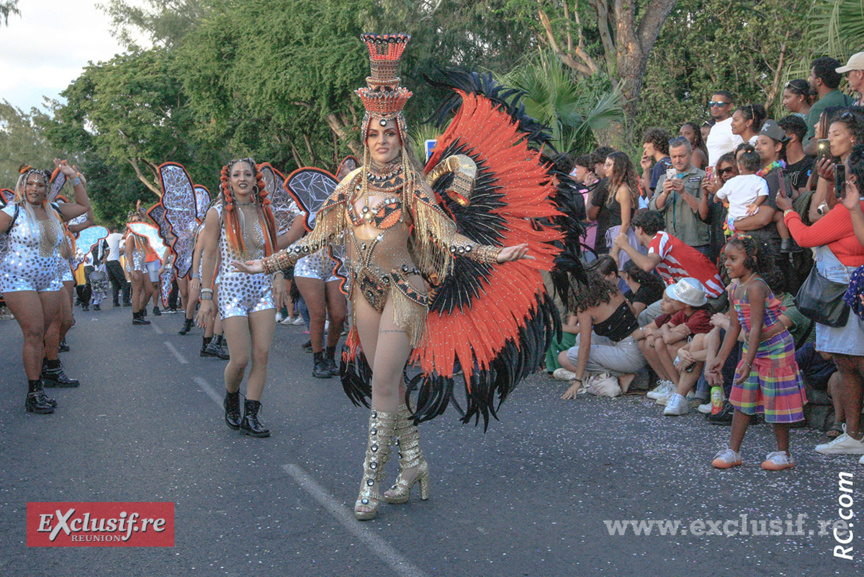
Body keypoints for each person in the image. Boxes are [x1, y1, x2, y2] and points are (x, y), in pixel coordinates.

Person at [235, 34, 536, 521]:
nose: (381, 141)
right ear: (365, 135)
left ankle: (369, 484)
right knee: (389, 386)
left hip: (405, 290)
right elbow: (318, 237)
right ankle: (414, 462)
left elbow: (445, 236)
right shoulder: (350, 186)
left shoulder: (413, 184)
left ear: (400, 135)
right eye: (374, 133)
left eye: (390, 133)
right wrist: (268, 263)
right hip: (363, 293)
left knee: (381, 385)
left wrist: (491, 254)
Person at [198, 158, 299, 438]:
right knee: (240, 359)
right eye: (236, 174)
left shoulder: (265, 211)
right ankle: (232, 396)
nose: (242, 179)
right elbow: (209, 255)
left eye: (247, 174)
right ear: (228, 180)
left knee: (262, 354)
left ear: (256, 180)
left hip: (262, 287)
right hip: (232, 289)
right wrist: (207, 296)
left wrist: (278, 276)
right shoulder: (217, 213)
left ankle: (251, 414)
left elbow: (273, 250)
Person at [779, 143, 864, 460]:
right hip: (840, 294)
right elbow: (820, 215)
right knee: (846, 364)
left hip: (848, 295)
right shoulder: (847, 208)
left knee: (856, 364)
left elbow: (804, 236)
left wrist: (788, 210)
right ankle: (854, 434)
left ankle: (856, 432)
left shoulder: (850, 210)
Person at [706, 235, 806, 471]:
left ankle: (784, 453)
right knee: (742, 398)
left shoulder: (757, 286)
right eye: (725, 259)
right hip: (754, 347)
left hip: (775, 349)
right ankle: (733, 450)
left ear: (750, 260)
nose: (726, 264)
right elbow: (733, 326)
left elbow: (758, 327)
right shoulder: (734, 289)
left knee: (776, 399)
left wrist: (747, 363)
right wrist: (720, 358)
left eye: (733, 258)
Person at [0, 161, 90, 414]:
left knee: (47, 331)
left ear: (47, 189)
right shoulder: (12, 212)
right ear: (22, 186)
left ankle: (44, 378)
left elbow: (84, 207)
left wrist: (73, 177)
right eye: (30, 184)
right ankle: (33, 393)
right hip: (18, 279)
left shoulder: (54, 210)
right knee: (34, 331)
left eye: (40, 185)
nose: (34, 188)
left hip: (49, 279)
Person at [557, 269, 646, 397]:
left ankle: (621, 375)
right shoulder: (613, 291)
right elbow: (632, 311)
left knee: (571, 355)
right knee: (580, 338)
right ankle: (611, 376)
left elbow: (585, 347)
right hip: (638, 343)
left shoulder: (585, 308)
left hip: (630, 355)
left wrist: (577, 381)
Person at [638, 278, 712, 415]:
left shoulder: (700, 316)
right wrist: (667, 327)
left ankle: (684, 392)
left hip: (701, 357)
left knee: (672, 345)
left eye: (675, 299)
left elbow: (668, 337)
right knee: (662, 343)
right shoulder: (682, 313)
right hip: (687, 355)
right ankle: (678, 388)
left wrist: (666, 329)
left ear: (686, 304)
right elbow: (660, 334)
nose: (672, 300)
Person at [649, 137, 710, 255]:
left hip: (695, 243)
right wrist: (665, 193)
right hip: (670, 243)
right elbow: (652, 208)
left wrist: (684, 193)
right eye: (673, 157)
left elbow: (705, 211)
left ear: (691, 153)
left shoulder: (702, 177)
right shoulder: (663, 178)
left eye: (682, 156)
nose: (677, 160)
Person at [808, 109, 864, 223]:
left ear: (853, 137)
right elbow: (813, 215)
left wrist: (825, 209)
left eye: (836, 135)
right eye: (828, 135)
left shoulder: (859, 168)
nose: (829, 140)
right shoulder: (828, 170)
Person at [804, 56, 855, 150]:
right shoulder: (851, 101)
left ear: (819, 81)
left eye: (811, 76)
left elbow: (814, 146)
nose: (810, 79)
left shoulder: (818, 108)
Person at [714, 150, 769, 234]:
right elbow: (763, 194)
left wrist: (715, 198)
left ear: (739, 166)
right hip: (750, 214)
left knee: (737, 234)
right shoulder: (760, 180)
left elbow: (719, 195)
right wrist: (756, 204)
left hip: (734, 217)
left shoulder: (731, 182)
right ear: (758, 167)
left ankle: (739, 239)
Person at [602, 151, 641, 267]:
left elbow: (626, 223)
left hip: (622, 237)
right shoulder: (615, 188)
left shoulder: (623, 190)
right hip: (617, 236)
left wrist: (615, 251)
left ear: (618, 167)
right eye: (605, 164)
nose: (605, 168)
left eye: (609, 165)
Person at [587, 146, 616, 254]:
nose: (595, 171)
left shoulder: (604, 184)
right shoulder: (626, 181)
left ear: (603, 164)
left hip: (605, 240)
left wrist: (590, 190)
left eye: (596, 167)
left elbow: (591, 215)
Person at [777, 115, 815, 198]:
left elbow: (803, 198)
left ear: (792, 138)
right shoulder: (778, 163)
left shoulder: (809, 165)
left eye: (779, 135)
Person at [705, 90, 744, 166]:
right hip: (713, 175)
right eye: (712, 104)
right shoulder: (713, 128)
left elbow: (740, 153)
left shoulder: (734, 125)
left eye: (720, 104)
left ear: (730, 106)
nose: (715, 107)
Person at [639, 127, 672, 197]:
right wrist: (646, 169)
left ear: (657, 144)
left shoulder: (660, 165)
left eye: (647, 142)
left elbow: (653, 198)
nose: (644, 146)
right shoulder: (669, 162)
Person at [104, 226, 131, 306]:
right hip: (114, 261)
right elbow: (126, 237)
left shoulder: (106, 238)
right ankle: (126, 301)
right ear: (114, 230)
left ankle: (115, 301)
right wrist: (129, 230)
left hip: (108, 262)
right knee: (123, 282)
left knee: (114, 283)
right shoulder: (115, 235)